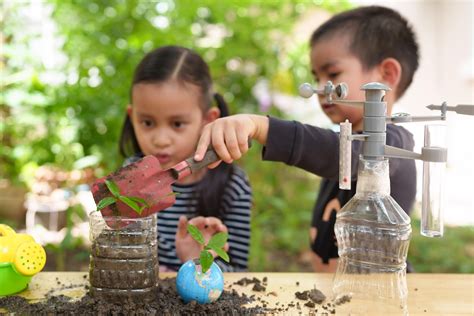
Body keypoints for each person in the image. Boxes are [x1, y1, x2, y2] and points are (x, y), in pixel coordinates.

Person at [194, 6, 419, 272]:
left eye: (332, 75)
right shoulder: (343, 142)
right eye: (316, 77)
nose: (321, 89)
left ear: (386, 75)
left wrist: (261, 126)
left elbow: (344, 153)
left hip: (380, 297)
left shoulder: (394, 141)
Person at [119, 46, 252, 272]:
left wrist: (197, 262)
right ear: (133, 117)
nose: (161, 140)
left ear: (208, 120)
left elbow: (238, 273)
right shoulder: (133, 173)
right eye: (147, 123)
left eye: (177, 124)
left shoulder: (233, 186)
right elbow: (118, 251)